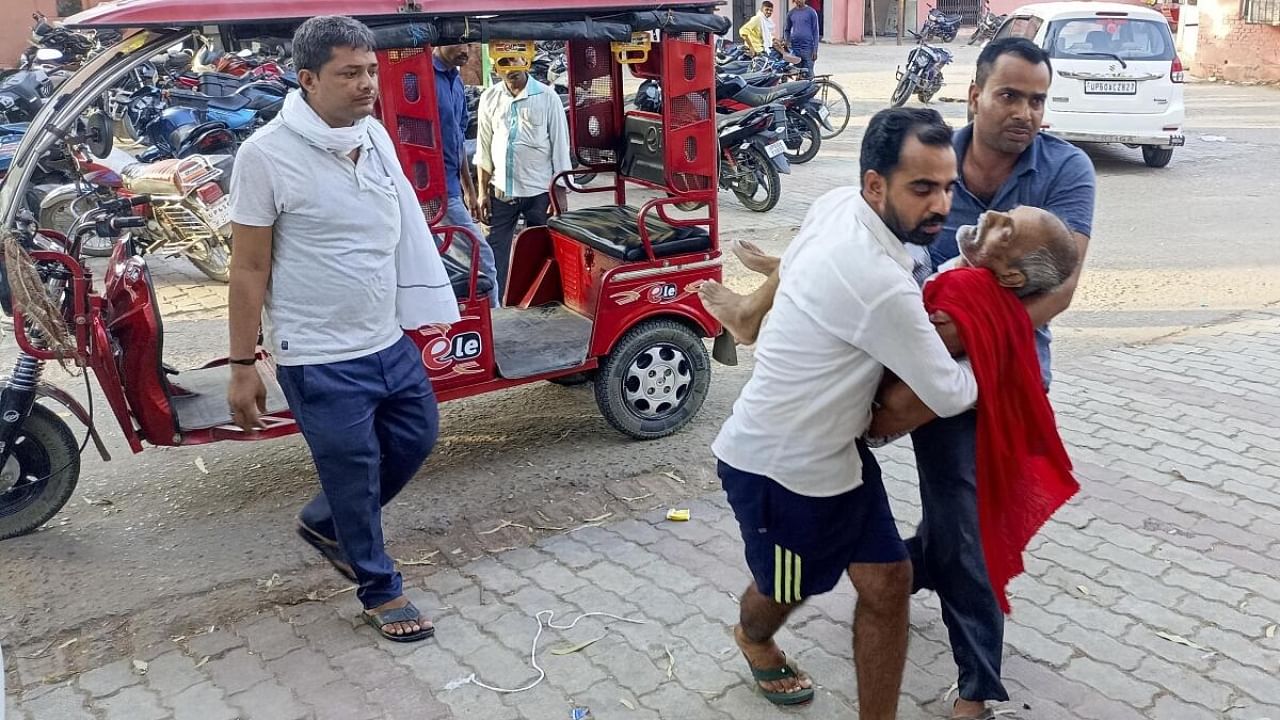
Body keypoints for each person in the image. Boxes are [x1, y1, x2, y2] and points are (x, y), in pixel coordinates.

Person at [713, 107, 979, 716]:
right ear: (875, 185)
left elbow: (807, 264)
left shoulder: (838, 204)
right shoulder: (878, 281)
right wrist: (1001, 347)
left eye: (947, 186)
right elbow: (948, 393)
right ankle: (752, 639)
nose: (941, 205)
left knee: (888, 584)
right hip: (778, 472)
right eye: (922, 189)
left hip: (838, 458)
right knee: (786, 587)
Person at [228, 15, 459, 643]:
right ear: (308, 80)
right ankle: (380, 587)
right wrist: (242, 364)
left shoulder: (374, 135)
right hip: (318, 355)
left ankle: (330, 523)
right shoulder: (264, 157)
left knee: (417, 436)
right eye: (349, 73)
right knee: (353, 470)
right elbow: (248, 268)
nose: (367, 85)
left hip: (387, 337)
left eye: (370, 71)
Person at [699, 205, 1078, 346]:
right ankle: (786, 266)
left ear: (1011, 276)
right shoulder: (971, 275)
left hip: (890, 313)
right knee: (851, 210)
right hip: (916, 280)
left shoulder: (968, 297)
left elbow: (912, 333)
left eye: (1005, 230)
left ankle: (753, 310)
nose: (990, 216)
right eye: (1004, 213)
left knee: (848, 227)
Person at [474, 57, 572, 299]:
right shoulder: (490, 97)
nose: (510, 69)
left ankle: (540, 301)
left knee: (542, 250)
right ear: (496, 66)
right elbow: (483, 147)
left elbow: (560, 147)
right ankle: (495, 308)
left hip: (539, 192)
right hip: (501, 191)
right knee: (494, 252)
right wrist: (481, 192)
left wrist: (559, 193)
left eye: (514, 61)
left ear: (526, 61)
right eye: (503, 63)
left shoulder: (548, 98)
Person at [433, 43, 499, 307]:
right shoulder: (422, 78)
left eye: (470, 45)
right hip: (433, 191)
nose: (466, 50)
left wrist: (469, 189)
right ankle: (495, 323)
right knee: (482, 257)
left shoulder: (456, 81)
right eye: (459, 43)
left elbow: (457, 141)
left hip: (452, 189)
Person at [784, 0, 820, 74]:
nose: (798, 1)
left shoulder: (811, 12)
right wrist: (787, 41)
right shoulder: (791, 13)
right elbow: (786, 30)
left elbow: (815, 32)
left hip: (808, 49)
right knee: (797, 74)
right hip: (795, 48)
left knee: (809, 74)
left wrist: (815, 50)